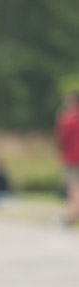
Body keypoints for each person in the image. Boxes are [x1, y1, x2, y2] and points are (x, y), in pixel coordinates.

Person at [55, 92, 79, 226]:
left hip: (73, 159)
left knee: (74, 189)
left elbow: (61, 140)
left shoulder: (67, 120)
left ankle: (68, 218)